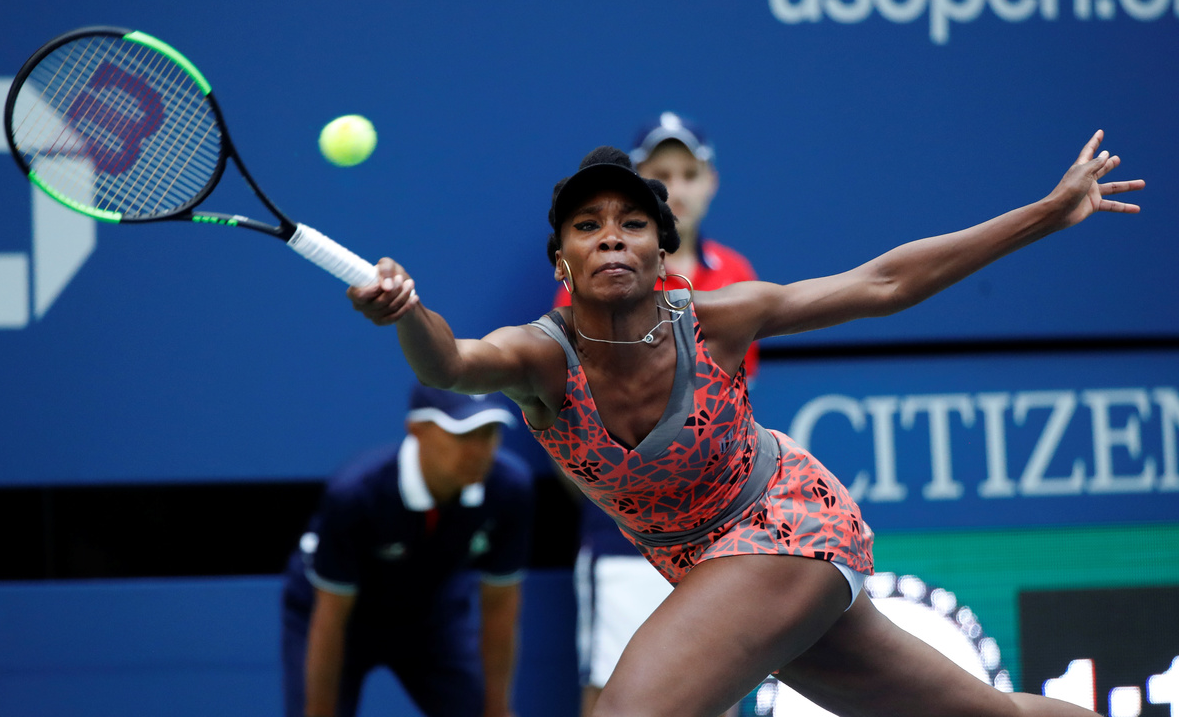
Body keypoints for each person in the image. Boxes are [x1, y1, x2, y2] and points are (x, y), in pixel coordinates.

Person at [347, 129, 1142, 717]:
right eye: (587, 226)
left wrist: (1047, 213)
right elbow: (447, 364)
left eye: (632, 223)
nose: (611, 234)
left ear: (662, 253)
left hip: (786, 528)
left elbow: (886, 283)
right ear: (563, 260)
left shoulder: (718, 320)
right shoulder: (539, 358)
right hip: (698, 561)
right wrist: (406, 312)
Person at [553, 112, 759, 717]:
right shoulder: (596, 278)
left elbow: (735, 407)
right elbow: (568, 413)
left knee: (716, 696)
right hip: (626, 533)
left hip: (722, 531)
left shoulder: (737, 276)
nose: (678, 187)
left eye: (690, 173)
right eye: (662, 174)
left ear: (711, 181)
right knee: (612, 697)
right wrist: (621, 500)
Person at [281, 384, 535, 717]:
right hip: (336, 619)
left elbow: (500, 604)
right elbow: (330, 615)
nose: (479, 451)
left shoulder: (509, 487)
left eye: (489, 433)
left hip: (433, 618)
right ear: (417, 429)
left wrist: (498, 708)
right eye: (462, 435)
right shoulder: (356, 494)